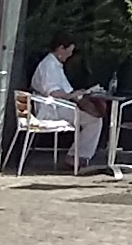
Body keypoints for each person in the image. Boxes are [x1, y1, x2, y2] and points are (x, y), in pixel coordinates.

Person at [29, 37, 106, 172]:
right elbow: (53, 92)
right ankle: (76, 156)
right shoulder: (49, 65)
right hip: (50, 109)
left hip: (58, 106)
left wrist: (80, 94)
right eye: (69, 51)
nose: (70, 55)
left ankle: (76, 156)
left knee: (93, 116)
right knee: (94, 120)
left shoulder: (55, 65)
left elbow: (65, 91)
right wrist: (73, 96)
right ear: (60, 48)